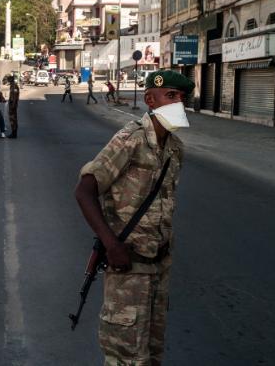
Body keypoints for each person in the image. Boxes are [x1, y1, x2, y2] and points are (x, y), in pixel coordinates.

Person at [74, 70, 193, 366]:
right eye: (172, 96)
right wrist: (111, 245)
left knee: (152, 353)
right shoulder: (131, 139)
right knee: (126, 356)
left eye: (182, 97)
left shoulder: (175, 148)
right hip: (128, 267)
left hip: (159, 266)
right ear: (151, 100)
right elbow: (84, 191)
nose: (180, 103)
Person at [6, 74, 20, 139]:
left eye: (9, 79)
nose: (8, 81)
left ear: (11, 80)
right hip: (12, 105)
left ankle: (14, 133)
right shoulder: (12, 86)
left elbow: (14, 97)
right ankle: (13, 133)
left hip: (13, 105)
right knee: (12, 119)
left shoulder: (14, 86)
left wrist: (13, 106)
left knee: (13, 119)